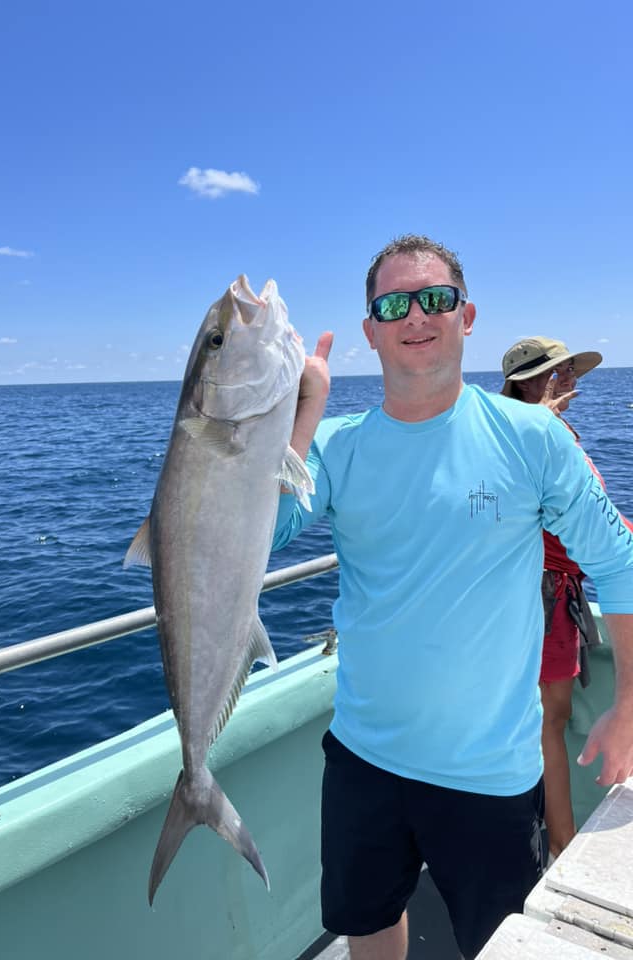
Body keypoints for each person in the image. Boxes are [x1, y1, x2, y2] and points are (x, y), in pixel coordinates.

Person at [272, 235, 633, 960]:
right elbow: (257, 538)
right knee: (368, 920)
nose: (417, 315)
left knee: (499, 942)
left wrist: (630, 704)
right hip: (361, 756)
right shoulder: (334, 449)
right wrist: (300, 419)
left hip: (489, 772)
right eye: (394, 303)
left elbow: (618, 563)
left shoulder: (532, 437)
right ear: (370, 330)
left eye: (435, 298)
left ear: (466, 316)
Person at [501, 337, 603, 863]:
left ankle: (550, 837)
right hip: (540, 595)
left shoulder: (546, 433)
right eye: (555, 373)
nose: (566, 381)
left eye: (567, 373)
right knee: (548, 723)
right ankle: (559, 843)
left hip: (550, 594)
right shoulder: (523, 437)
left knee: (547, 720)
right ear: (526, 383)